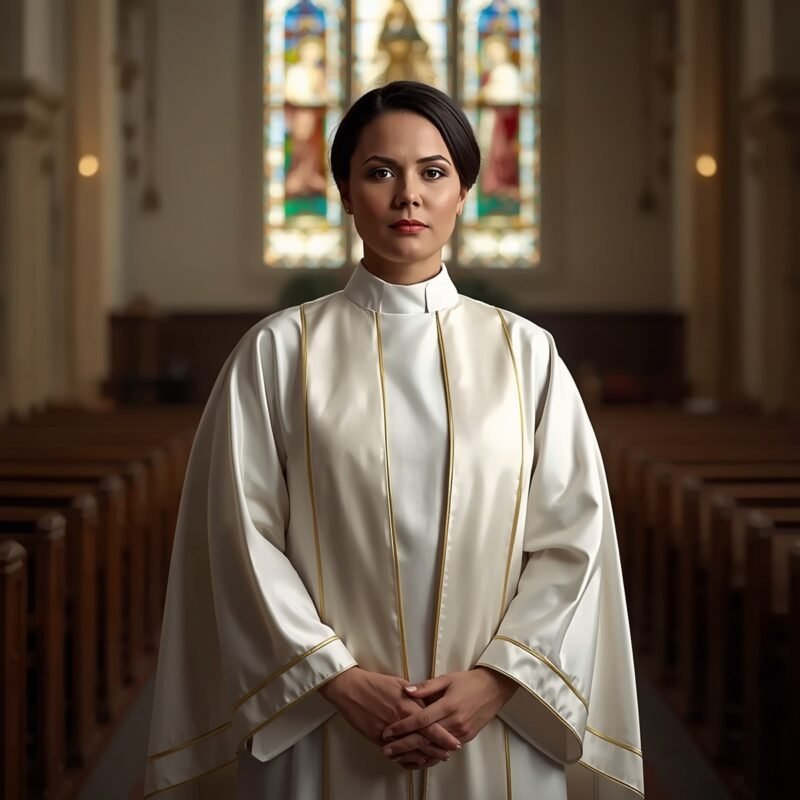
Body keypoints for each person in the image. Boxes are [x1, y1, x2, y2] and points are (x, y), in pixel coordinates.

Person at [143, 80, 644, 799]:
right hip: (326, 720)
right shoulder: (279, 352)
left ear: (464, 191)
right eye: (380, 172)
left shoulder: (526, 354)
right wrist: (335, 678)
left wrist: (499, 679)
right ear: (345, 191)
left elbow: (574, 538)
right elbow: (239, 534)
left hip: (491, 725)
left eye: (433, 172)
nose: (408, 196)